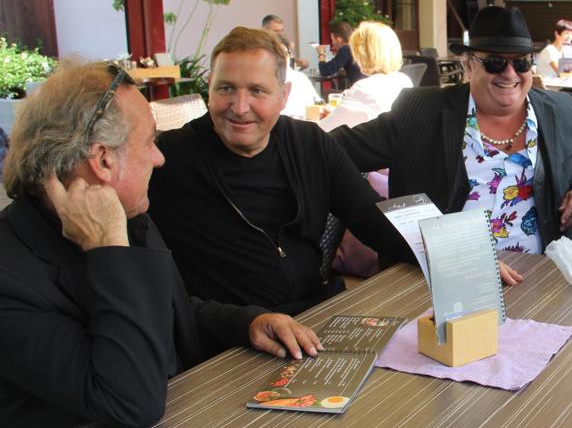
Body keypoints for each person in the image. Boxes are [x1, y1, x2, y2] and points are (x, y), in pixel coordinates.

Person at [0, 60, 320, 428]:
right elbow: (128, 397)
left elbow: (159, 315)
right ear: (103, 160)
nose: (159, 157)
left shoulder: (130, 217)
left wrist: (245, 321)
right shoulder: (10, 275)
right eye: (149, 142)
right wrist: (109, 248)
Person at [331, 6, 572, 284]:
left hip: (540, 278)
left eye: (522, 62)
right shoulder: (420, 113)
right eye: (495, 62)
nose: (510, 73)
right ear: (468, 65)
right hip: (442, 280)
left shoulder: (561, 111)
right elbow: (332, 153)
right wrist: (380, 218)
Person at [148, 27, 410, 315]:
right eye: (226, 88)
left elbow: (375, 221)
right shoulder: (166, 160)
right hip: (228, 341)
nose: (239, 107)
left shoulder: (310, 144)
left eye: (257, 90)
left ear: (284, 95)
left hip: (314, 319)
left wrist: (449, 250)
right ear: (208, 87)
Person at [321, 21, 413, 131]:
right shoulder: (403, 80)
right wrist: (337, 113)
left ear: (362, 54)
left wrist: (331, 117)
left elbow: (325, 130)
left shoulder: (364, 88)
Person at [318, 20, 365, 87]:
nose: (332, 43)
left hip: (361, 90)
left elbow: (325, 71)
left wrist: (321, 54)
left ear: (339, 39)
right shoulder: (358, 47)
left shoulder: (346, 49)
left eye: (332, 39)